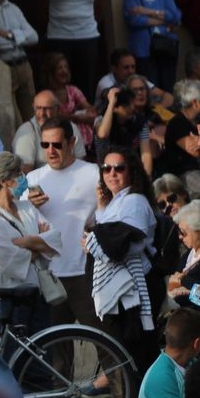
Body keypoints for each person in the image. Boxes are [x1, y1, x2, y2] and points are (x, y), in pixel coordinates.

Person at [85, 148, 160, 375]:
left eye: (119, 168)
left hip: (135, 287)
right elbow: (107, 235)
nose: (112, 174)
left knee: (136, 354)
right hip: (122, 289)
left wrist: (91, 243)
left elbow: (122, 244)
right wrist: (100, 207)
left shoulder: (134, 200)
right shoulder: (115, 202)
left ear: (132, 172)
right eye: (106, 168)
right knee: (128, 353)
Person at [24, 118, 101, 330]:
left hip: (85, 274)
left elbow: (108, 215)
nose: (50, 151)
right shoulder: (32, 179)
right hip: (49, 276)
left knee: (105, 343)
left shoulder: (94, 174)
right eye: (45, 145)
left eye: (57, 144)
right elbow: (18, 225)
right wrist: (29, 209)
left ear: (72, 142)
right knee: (56, 355)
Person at [0, 151, 62, 337]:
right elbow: (4, 259)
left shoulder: (26, 207)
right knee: (13, 358)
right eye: (18, 174)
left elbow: (55, 237)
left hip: (38, 294)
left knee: (42, 354)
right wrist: (39, 243)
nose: (23, 178)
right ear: (4, 181)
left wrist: (23, 242)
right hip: (8, 300)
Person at [165, 197, 200, 310]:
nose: (180, 237)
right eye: (179, 232)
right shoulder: (187, 256)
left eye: (183, 232)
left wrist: (183, 283)